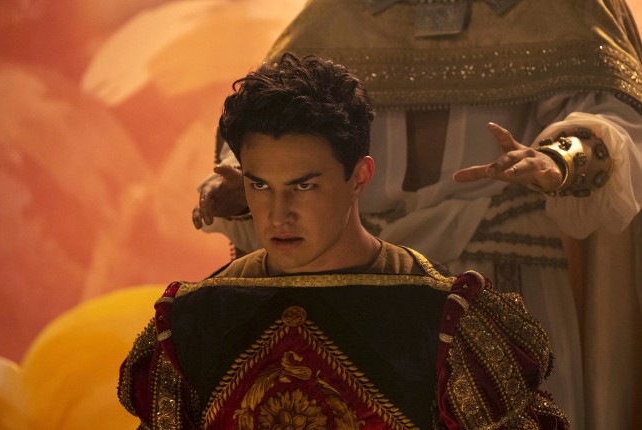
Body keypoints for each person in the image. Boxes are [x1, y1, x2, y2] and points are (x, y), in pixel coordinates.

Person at [192, 1, 642, 427]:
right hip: (363, 281)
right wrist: (245, 183)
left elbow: (611, 117)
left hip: (505, 274)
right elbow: (282, 118)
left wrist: (560, 159)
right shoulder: (335, 12)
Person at [119, 54, 568, 429]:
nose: (278, 214)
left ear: (360, 177)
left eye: (303, 186)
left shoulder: (443, 321)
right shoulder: (193, 322)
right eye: (260, 185)